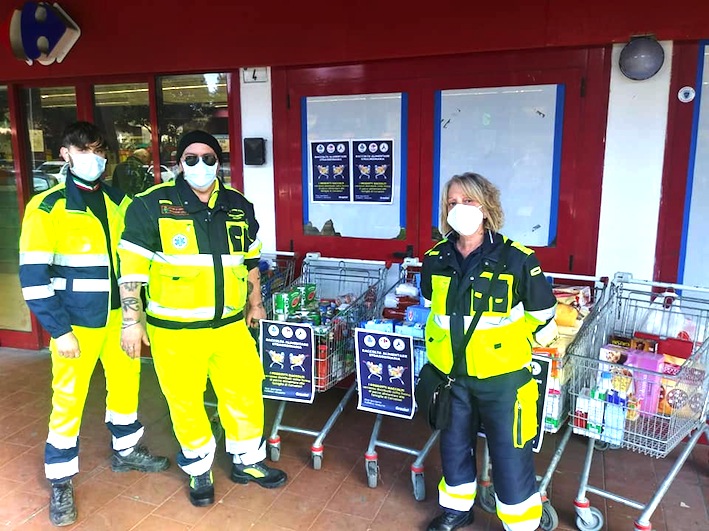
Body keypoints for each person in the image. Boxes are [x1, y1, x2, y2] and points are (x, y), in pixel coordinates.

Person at [117, 130, 287, 508]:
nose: (200, 165)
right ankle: (199, 468)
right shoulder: (151, 205)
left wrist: (256, 303)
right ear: (179, 163)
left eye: (208, 157)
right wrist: (132, 320)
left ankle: (248, 461)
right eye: (190, 158)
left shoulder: (238, 205)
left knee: (244, 392)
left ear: (218, 162)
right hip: (175, 332)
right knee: (186, 402)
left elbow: (250, 260)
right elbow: (131, 268)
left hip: (229, 326)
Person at [18, 122, 170, 527]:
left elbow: (135, 264)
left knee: (126, 384)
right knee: (68, 399)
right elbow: (33, 276)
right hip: (75, 324)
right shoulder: (47, 207)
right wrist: (59, 329)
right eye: (85, 149)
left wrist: (135, 318)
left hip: (121, 319)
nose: (94, 158)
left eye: (100, 150)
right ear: (66, 153)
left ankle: (126, 449)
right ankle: (61, 479)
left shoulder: (122, 202)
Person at [420, 172, 557, 531]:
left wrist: (501, 348)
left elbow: (542, 317)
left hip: (504, 380)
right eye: (452, 203)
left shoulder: (517, 259)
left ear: (486, 207)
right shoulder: (435, 258)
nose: (459, 209)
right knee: (453, 449)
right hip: (452, 377)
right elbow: (432, 309)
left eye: (468, 201)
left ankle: (521, 524)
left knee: (510, 457)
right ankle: (457, 510)